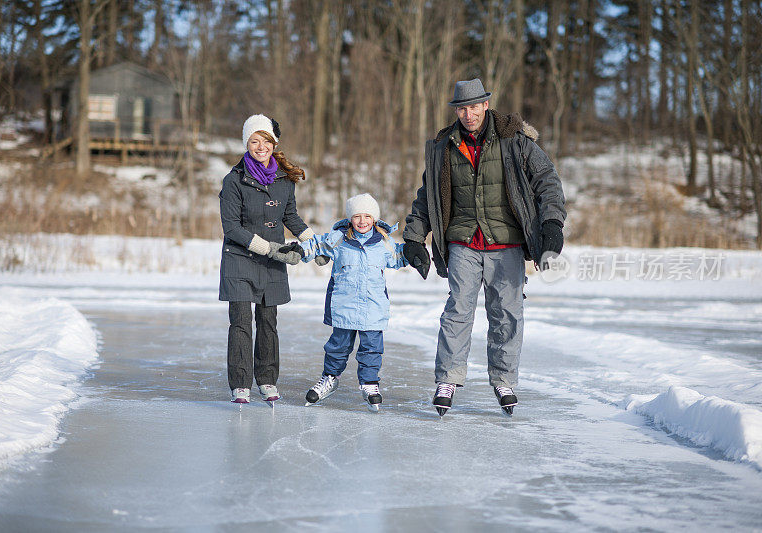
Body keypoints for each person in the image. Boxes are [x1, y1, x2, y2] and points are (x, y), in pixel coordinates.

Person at [401, 79, 566, 416]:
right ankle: (448, 377)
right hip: (463, 240)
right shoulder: (443, 147)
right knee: (458, 310)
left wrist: (552, 224)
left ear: (485, 105)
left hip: (507, 241)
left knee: (507, 313)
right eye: (462, 108)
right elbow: (426, 197)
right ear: (456, 111)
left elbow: (547, 180)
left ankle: (503, 379)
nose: (469, 113)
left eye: (474, 106)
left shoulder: (514, 141)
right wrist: (414, 237)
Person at [218, 114, 316, 404]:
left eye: (267, 141)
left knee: (268, 320)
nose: (261, 147)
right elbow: (231, 227)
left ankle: (267, 380)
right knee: (240, 322)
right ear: (246, 143)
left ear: (275, 143)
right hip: (239, 256)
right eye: (254, 141)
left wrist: (314, 241)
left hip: (272, 258)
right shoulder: (234, 180)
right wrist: (268, 248)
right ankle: (240, 384)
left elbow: (289, 216)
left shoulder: (285, 180)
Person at [299, 193, 410, 411]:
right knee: (337, 346)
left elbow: (398, 257)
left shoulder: (384, 243)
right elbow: (316, 244)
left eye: (367, 216)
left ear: (375, 219)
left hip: (373, 307)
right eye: (357, 216)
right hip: (343, 305)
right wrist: (298, 250)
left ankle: (369, 384)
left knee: (371, 348)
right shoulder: (339, 239)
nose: (362, 221)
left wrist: (414, 253)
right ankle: (330, 378)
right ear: (350, 218)